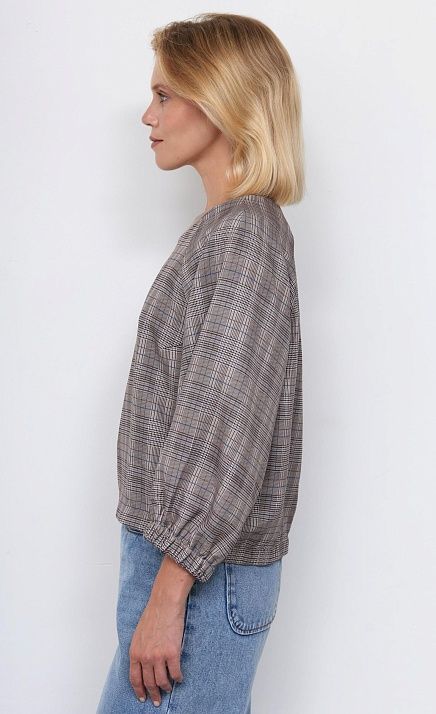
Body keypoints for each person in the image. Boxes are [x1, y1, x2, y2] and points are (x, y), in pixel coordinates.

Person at [96, 11, 304, 714]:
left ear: (222, 100)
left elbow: (224, 430)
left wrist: (168, 593)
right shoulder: (226, 231)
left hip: (196, 578)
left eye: (165, 95)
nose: (148, 116)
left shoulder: (246, 237)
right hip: (180, 565)